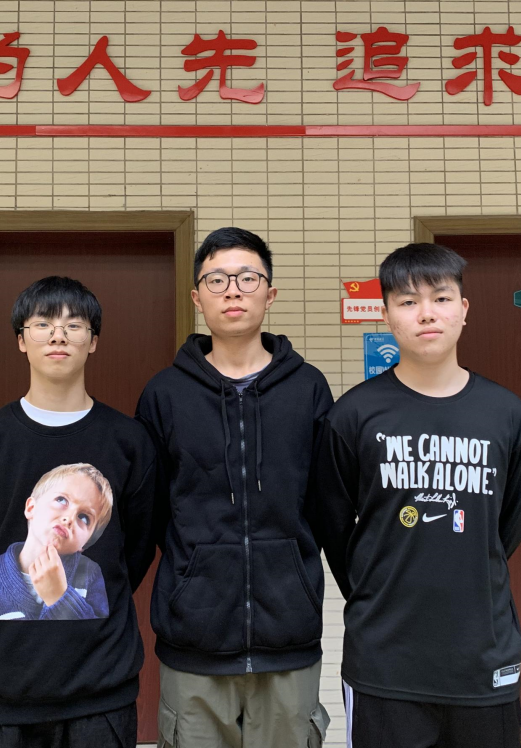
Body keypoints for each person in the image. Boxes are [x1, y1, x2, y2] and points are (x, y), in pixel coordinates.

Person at [309, 243, 521, 748]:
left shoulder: (506, 413)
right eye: (408, 301)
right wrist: (377, 588)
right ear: (387, 314)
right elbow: (332, 525)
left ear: (464, 309)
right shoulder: (353, 415)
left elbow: (509, 525)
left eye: (441, 298)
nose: (426, 313)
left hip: (483, 655)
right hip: (385, 660)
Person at [136, 227, 333, 748]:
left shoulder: (308, 388)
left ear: (270, 293)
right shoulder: (165, 394)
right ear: (196, 296)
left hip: (288, 636)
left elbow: (326, 506)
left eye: (248, 278)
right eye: (217, 280)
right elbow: (152, 512)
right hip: (194, 638)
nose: (233, 291)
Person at [0, 276, 156, 748]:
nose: (58, 335)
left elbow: (137, 548)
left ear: (93, 341)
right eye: (42, 324)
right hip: (2, 693)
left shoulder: (129, 442)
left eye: (74, 325)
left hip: (99, 691)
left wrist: (65, 592)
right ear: (21, 339)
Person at [0, 463, 113, 621]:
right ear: (31, 508)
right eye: (61, 500)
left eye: (84, 517)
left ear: (85, 544)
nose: (69, 518)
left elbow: (96, 634)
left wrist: (59, 596)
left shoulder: (90, 574)